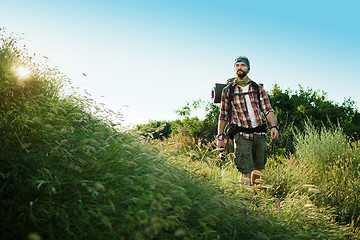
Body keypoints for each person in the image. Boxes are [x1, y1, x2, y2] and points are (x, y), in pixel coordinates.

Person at [216, 56, 279, 186]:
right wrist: (220, 137)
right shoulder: (228, 90)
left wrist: (274, 126)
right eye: (237, 65)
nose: (240, 67)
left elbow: (268, 109)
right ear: (234, 69)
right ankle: (245, 202)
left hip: (259, 134)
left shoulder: (257, 88)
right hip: (242, 135)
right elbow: (223, 116)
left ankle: (256, 199)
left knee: (259, 170)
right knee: (245, 171)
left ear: (248, 69)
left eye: (243, 65)